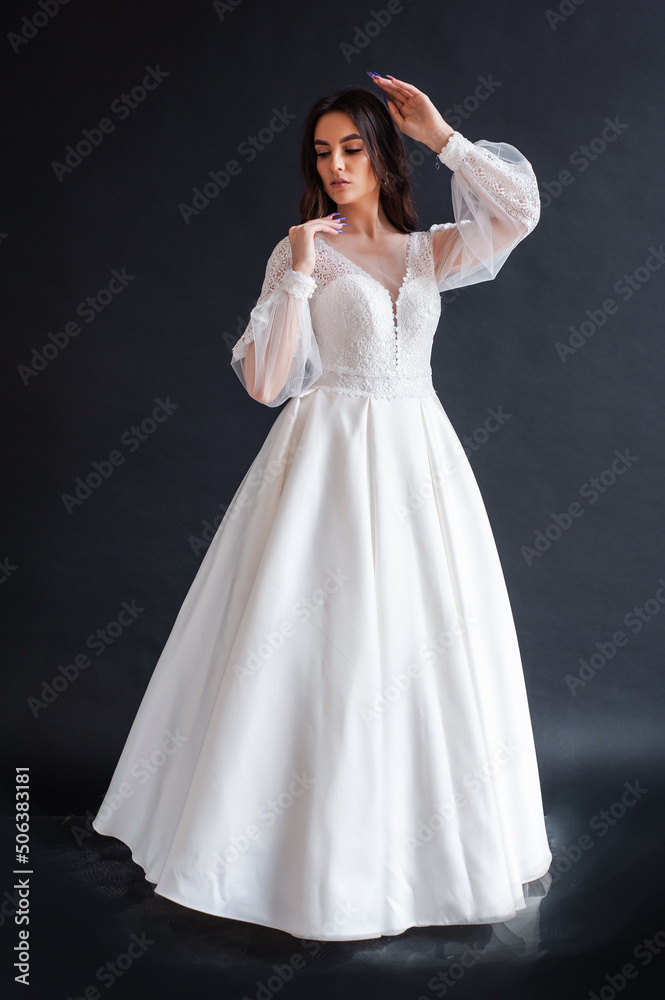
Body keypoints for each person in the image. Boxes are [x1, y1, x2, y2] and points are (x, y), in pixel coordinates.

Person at [92, 73, 552, 942]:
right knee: (319, 645)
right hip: (324, 463)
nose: (335, 165)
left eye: (351, 148)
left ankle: (421, 853)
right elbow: (267, 384)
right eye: (321, 152)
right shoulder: (299, 248)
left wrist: (443, 136)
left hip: (420, 463)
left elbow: (519, 213)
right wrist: (299, 275)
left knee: (422, 646)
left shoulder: (428, 252)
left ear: (382, 154)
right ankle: (295, 855)